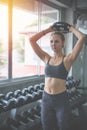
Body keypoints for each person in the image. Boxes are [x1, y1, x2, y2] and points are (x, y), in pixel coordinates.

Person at [29, 22, 86, 130]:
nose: (53, 44)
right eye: (51, 41)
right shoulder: (46, 58)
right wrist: (48, 30)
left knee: (63, 126)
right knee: (46, 127)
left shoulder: (67, 60)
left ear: (62, 43)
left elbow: (82, 38)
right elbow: (31, 40)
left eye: (56, 41)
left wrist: (70, 28)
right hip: (46, 99)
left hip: (61, 99)